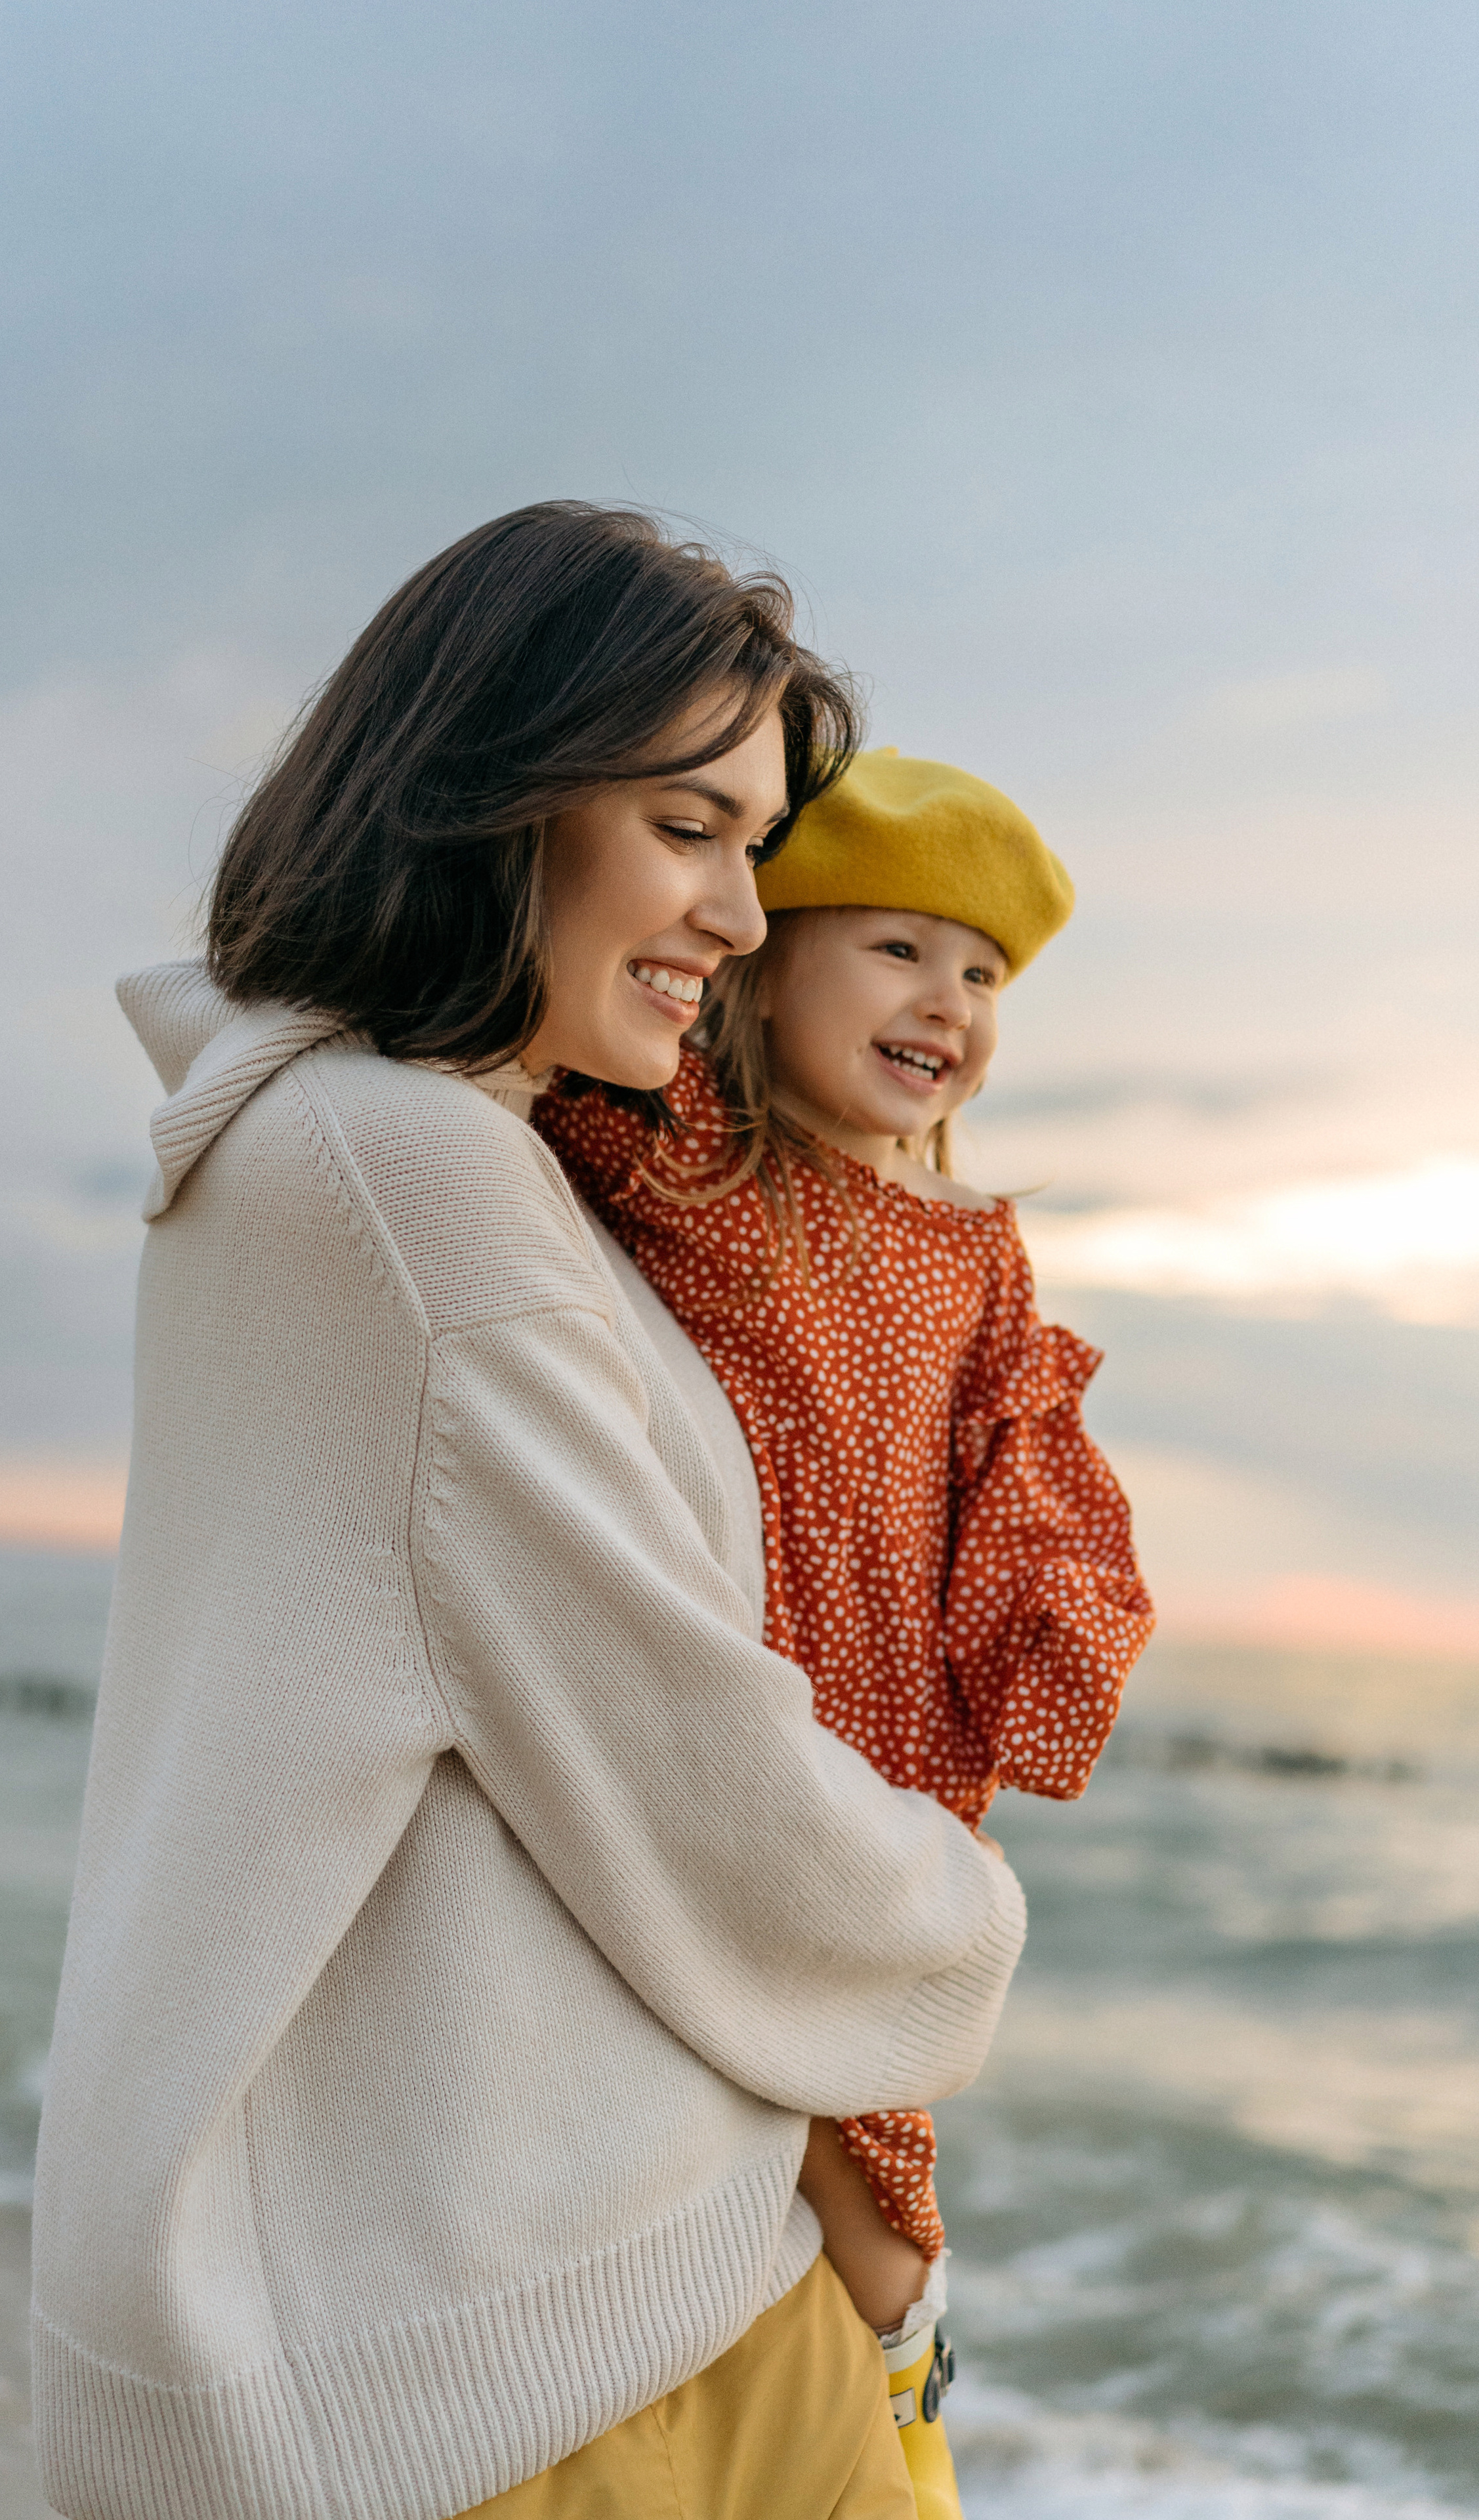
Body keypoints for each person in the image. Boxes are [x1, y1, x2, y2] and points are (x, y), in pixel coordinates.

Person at [30, 513, 1028, 2520]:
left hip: (592, 2299)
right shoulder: (417, 1185)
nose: (745, 917)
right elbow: (685, 1767)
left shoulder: (354, 1142)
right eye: (688, 827)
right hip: (545, 2363)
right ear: (491, 796)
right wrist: (963, 1921)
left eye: (757, 847)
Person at [534, 748, 1157, 2514]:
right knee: (808, 2102)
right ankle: (893, 2385)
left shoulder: (977, 1246)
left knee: (873, 2093)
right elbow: (514, 1058)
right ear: (758, 958)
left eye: (980, 975)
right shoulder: (708, 1161)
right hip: (749, 1703)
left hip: (891, 1726)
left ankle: (898, 2376)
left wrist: (1043, 1622)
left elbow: (1017, 1462)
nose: (946, 1004)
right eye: (896, 949)